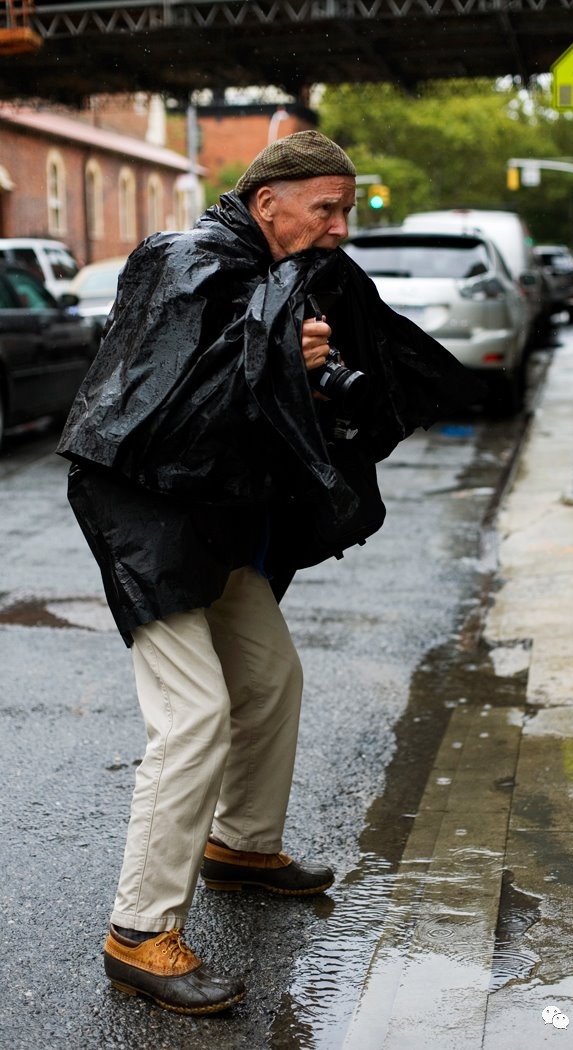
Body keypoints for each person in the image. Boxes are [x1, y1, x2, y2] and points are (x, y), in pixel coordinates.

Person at [57, 131, 474, 1016]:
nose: (340, 226)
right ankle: (138, 933)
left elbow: (247, 403)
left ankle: (240, 846)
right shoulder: (183, 261)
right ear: (267, 201)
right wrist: (282, 355)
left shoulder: (295, 273)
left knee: (272, 678)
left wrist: (311, 372)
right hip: (143, 506)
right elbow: (163, 401)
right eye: (326, 206)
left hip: (211, 507)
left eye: (348, 207)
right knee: (194, 714)